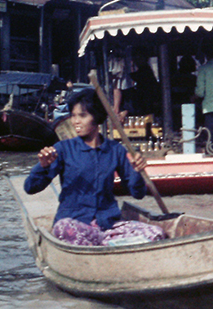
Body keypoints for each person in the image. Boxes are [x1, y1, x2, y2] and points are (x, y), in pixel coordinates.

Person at [24, 89, 162, 246]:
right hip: (76, 223)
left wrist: (137, 172)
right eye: (73, 116)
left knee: (156, 233)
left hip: (108, 224)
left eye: (82, 116)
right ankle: (106, 247)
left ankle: (106, 244)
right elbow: (30, 188)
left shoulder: (115, 150)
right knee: (64, 228)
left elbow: (138, 193)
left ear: (96, 117)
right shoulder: (63, 149)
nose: (75, 121)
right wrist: (43, 166)